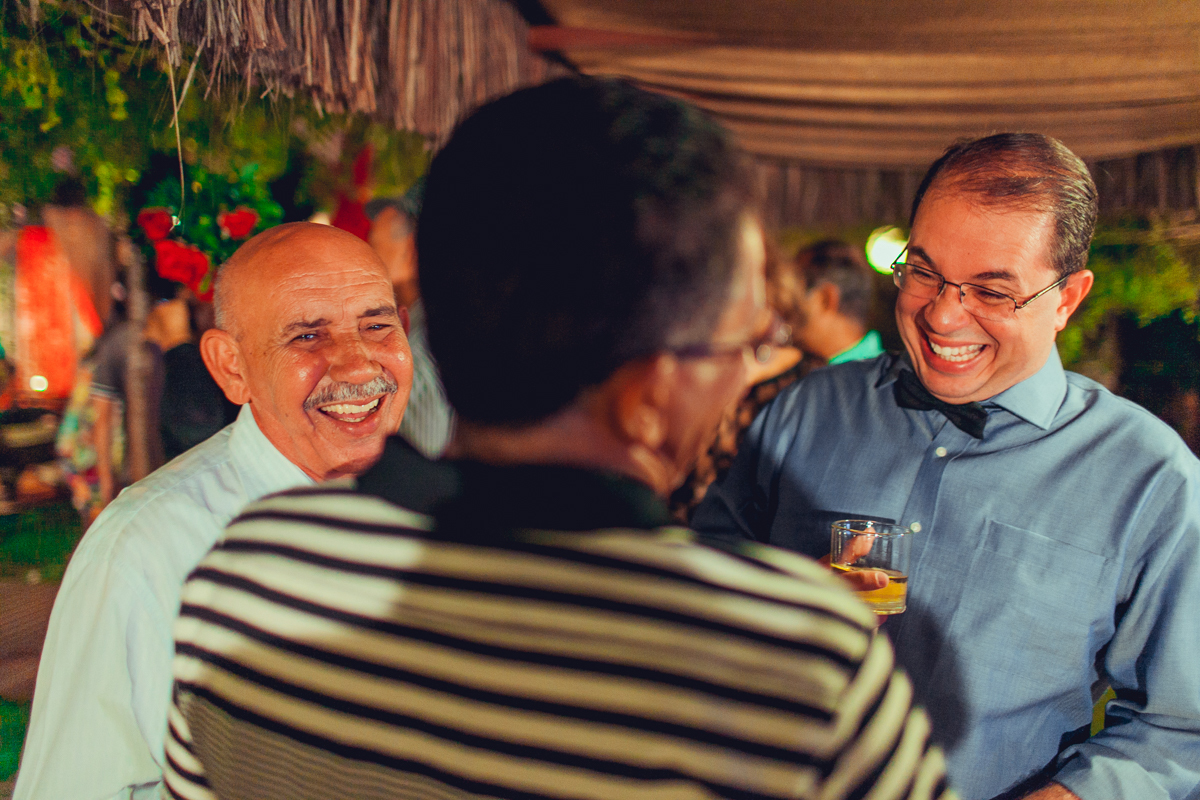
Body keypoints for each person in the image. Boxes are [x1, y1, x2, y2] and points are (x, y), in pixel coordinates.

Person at [161, 77, 951, 800]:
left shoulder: (254, 570)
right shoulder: (789, 658)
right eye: (745, 340)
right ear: (651, 390)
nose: (746, 372)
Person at [693, 133, 1200, 800]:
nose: (942, 313)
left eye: (992, 291)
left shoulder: (1150, 478)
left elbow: (1177, 733)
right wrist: (771, 601)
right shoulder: (809, 408)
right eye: (924, 270)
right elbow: (696, 582)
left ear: (1067, 299)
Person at [15, 223, 413, 800]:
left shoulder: (441, 513)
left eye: (376, 324)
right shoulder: (146, 551)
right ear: (232, 366)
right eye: (306, 336)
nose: (356, 364)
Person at [367, 185, 454, 457]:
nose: (365, 250)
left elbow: (426, 446)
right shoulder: (410, 322)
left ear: (413, 251)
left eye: (373, 242)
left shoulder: (422, 345)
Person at [785, 239, 885, 367]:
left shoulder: (824, 381)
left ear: (824, 300)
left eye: (792, 297)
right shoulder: (888, 377)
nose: (782, 308)